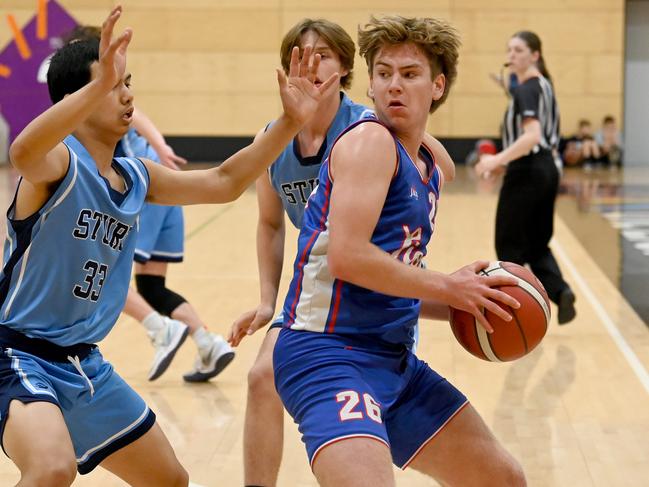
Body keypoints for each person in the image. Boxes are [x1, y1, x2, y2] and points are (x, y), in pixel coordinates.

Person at [0, 6, 336, 485]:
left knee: (170, 480)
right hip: (17, 352)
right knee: (52, 468)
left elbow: (223, 181)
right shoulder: (57, 165)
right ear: (78, 98)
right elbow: (22, 152)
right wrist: (98, 84)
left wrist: (287, 122)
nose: (128, 94)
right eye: (115, 84)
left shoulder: (135, 175)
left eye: (127, 81)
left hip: (84, 361)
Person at [273, 15, 526, 487]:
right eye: (384, 73)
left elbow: (395, 279)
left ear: (438, 85)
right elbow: (347, 257)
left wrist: (468, 299)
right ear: (369, 84)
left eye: (410, 75)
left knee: (503, 479)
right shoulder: (371, 142)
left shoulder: (428, 163)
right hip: (326, 353)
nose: (394, 85)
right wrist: (449, 286)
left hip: (393, 359)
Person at [227, 18, 456, 486]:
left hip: (384, 284)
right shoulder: (273, 140)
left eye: (324, 55)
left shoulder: (369, 128)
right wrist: (268, 300)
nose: (312, 65)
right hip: (322, 294)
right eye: (301, 55)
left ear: (348, 69)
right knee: (260, 378)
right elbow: (271, 224)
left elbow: (438, 170)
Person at [64, 24, 234, 383]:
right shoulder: (100, 98)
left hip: (142, 190)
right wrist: (161, 147)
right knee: (151, 286)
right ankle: (208, 342)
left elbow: (137, 114)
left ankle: (159, 327)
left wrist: (159, 146)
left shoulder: (102, 98)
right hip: (160, 184)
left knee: (100, 272)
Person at [475, 30, 576, 325]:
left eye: (519, 50)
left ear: (535, 55)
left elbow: (531, 137)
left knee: (508, 246)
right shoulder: (544, 86)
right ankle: (561, 291)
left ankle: (513, 314)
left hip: (528, 171)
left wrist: (496, 159)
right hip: (548, 170)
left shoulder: (526, 89)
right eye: (509, 50)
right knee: (537, 244)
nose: (512, 55)